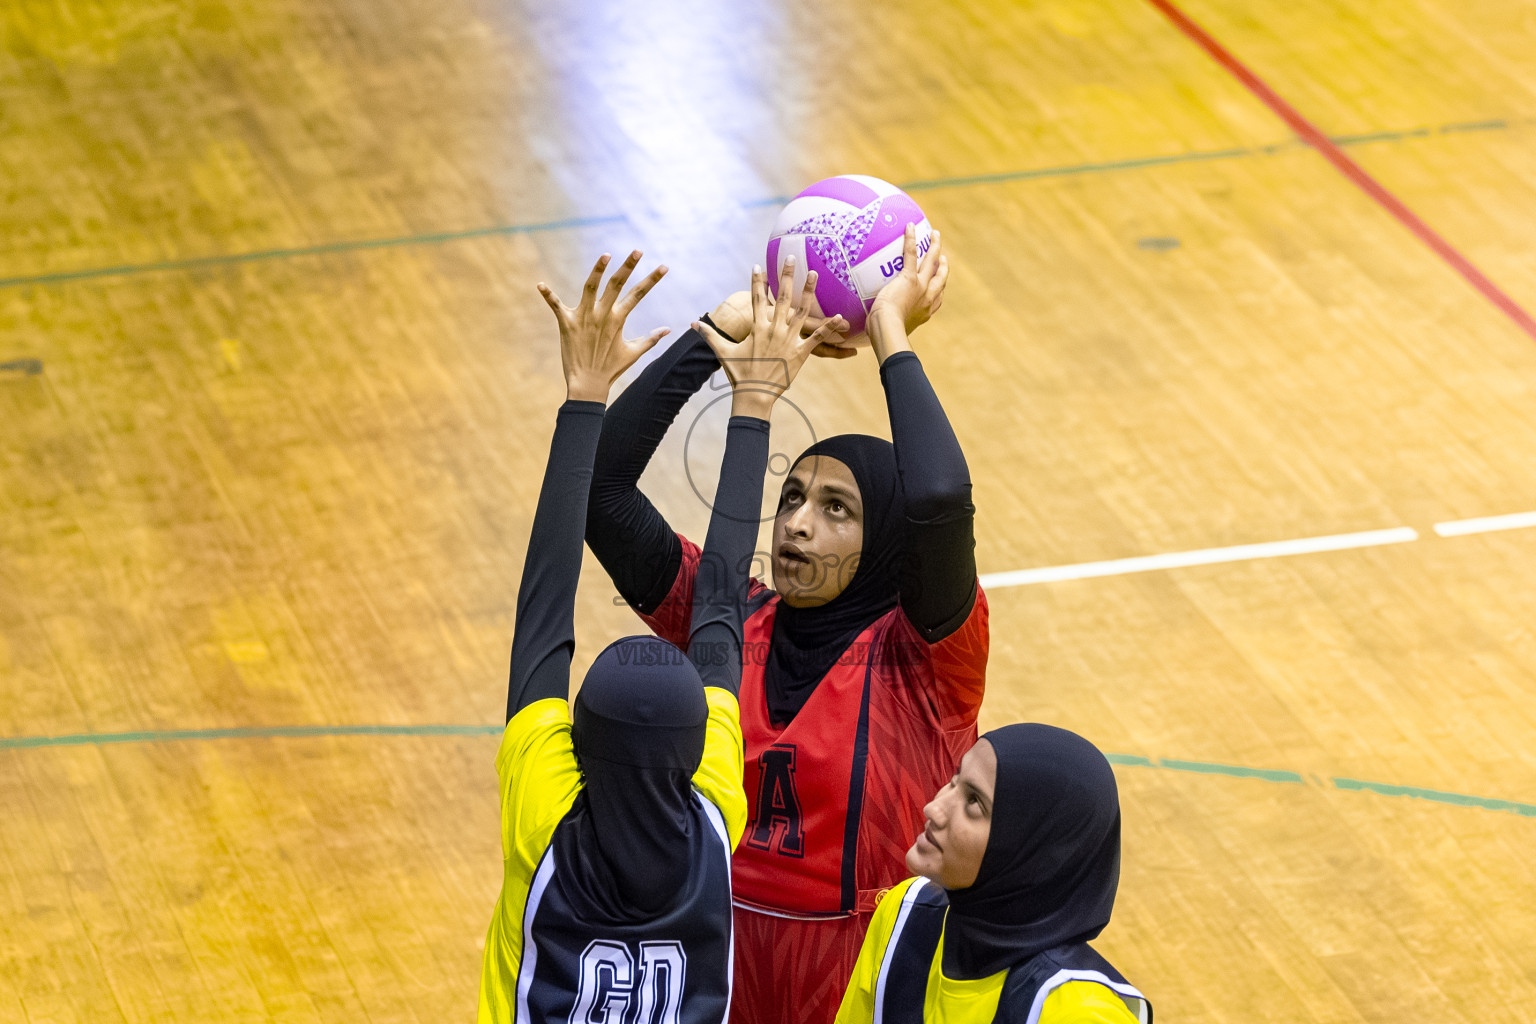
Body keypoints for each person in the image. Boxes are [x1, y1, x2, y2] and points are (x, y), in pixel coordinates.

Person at [584, 226, 990, 1024]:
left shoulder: (930, 661)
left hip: (864, 976)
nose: (797, 526)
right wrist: (722, 333)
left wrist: (890, 337)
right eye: (791, 500)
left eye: (836, 508)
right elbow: (599, 496)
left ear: (887, 541)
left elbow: (940, 500)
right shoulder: (728, 617)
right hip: (712, 962)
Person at [477, 249, 843, 1024]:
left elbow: (548, 600)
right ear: (695, 753)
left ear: (574, 742)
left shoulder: (548, 812)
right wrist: (755, 403)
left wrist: (587, 401)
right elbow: (718, 603)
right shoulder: (714, 813)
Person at [834, 724, 1152, 1024]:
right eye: (955, 779)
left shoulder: (1077, 1012)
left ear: (1032, 856)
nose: (934, 808)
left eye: (974, 803)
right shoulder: (903, 912)